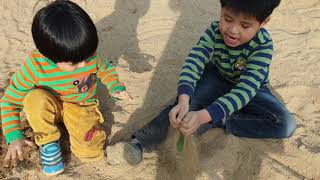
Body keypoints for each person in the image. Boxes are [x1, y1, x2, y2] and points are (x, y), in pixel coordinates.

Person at [109, 0, 296, 165]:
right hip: (216, 76)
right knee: (185, 110)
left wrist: (205, 116)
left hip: (252, 88)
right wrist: (183, 99)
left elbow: (246, 89)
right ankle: (140, 143)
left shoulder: (263, 46)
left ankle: (219, 120)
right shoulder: (214, 31)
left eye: (245, 25)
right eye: (228, 19)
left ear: (264, 22)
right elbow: (194, 61)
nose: (233, 30)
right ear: (221, 9)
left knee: (285, 125)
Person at [1, 0, 131, 176]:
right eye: (74, 63)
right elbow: (9, 101)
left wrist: (115, 87)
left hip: (81, 104)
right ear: (49, 56)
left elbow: (105, 69)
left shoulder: (85, 53)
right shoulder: (35, 66)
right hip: (49, 104)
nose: (85, 64)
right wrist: (14, 136)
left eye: (87, 56)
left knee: (89, 153)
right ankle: (48, 143)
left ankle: (84, 132)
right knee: (33, 99)